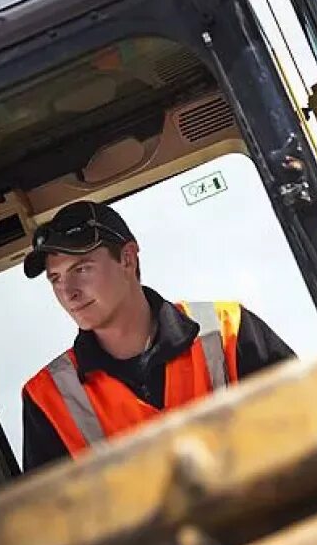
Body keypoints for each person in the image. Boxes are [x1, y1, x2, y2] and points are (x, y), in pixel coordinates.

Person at [21, 200, 294, 471]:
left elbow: (304, 425)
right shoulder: (46, 397)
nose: (69, 292)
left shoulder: (228, 329)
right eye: (55, 278)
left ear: (128, 259)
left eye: (81, 269)